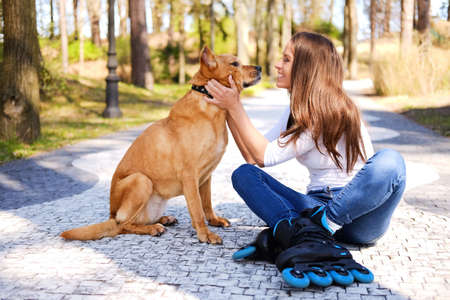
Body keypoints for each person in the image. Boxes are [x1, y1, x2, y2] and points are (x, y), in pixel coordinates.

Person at [203, 31, 406, 248]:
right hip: (316, 205)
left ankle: (317, 227)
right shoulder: (295, 109)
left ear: (306, 67)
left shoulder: (328, 108)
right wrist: (229, 108)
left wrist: (234, 106)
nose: (278, 65)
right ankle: (300, 230)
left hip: (359, 216)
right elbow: (254, 158)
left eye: (287, 60)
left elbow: (264, 155)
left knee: (391, 161)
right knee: (244, 174)